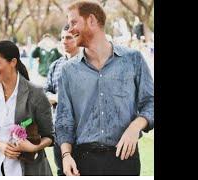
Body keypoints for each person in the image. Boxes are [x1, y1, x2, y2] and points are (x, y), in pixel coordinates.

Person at [55, 0, 154, 176]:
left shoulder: (133, 59)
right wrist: (66, 155)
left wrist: (135, 126)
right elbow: (64, 119)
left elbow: (151, 102)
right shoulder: (68, 70)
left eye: (73, 23)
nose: (69, 30)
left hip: (125, 159)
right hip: (83, 162)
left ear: (91, 20)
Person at [0, 40, 54, 176]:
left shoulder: (36, 93)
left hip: (31, 170)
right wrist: (1, 146)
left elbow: (49, 136)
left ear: (13, 62)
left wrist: (34, 147)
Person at [44, 24, 80, 176]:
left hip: (81, 130)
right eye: (62, 38)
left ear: (78, 39)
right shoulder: (55, 65)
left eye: (69, 38)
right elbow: (45, 93)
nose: (64, 41)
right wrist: (58, 98)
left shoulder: (88, 64)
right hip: (59, 129)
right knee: (62, 171)